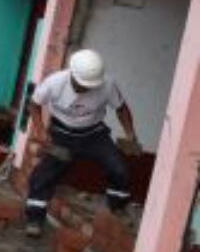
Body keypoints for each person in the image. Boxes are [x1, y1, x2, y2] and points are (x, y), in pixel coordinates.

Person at [23, 49, 141, 238]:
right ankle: (35, 219)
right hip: (61, 134)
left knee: (119, 169)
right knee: (43, 175)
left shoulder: (107, 84)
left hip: (94, 134)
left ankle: (117, 207)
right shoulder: (54, 83)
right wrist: (41, 131)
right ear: (72, 74)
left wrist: (130, 134)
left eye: (89, 86)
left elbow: (121, 109)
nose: (85, 89)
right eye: (81, 85)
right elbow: (34, 105)